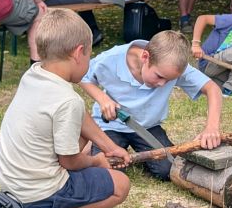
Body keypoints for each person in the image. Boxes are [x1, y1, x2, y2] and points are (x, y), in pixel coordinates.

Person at [0, 9, 131, 208]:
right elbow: (69, 162)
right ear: (78, 53)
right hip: (38, 191)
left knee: (81, 140)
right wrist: (96, 161)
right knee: (121, 185)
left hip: (11, 184)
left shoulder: (34, 73)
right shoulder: (67, 101)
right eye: (89, 55)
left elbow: (80, 116)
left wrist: (109, 147)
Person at [80, 30, 223, 181]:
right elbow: (82, 75)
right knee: (107, 171)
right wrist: (102, 99)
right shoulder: (111, 59)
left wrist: (212, 128)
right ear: (145, 57)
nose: (162, 84)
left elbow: (213, 89)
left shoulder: (173, 65)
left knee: (168, 169)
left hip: (147, 127)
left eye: (169, 80)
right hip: (110, 126)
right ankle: (92, 144)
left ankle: (138, 154)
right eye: (159, 76)